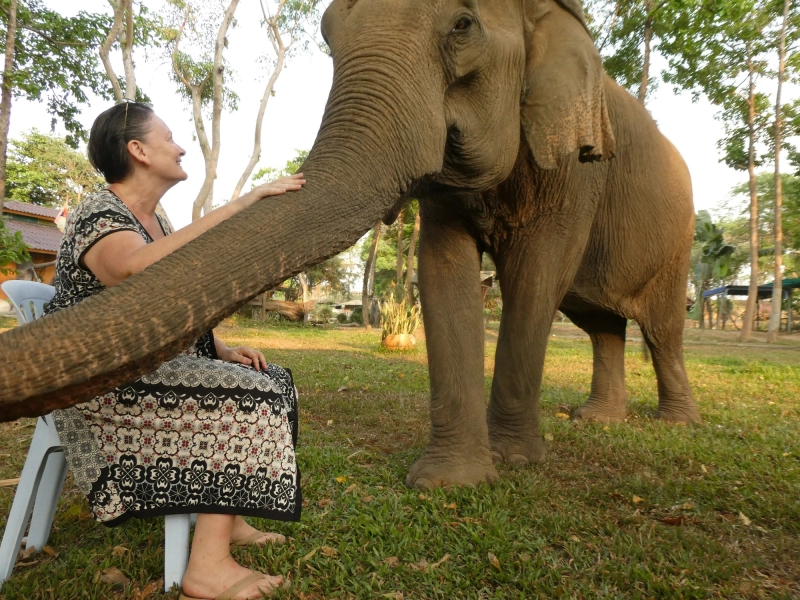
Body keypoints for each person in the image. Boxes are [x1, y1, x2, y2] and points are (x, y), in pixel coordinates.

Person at [44, 101, 305, 600]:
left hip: (144, 367)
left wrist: (221, 348)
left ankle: (227, 520)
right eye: (169, 137)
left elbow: (166, 308)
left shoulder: (155, 218)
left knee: (273, 381)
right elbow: (129, 269)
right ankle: (207, 570)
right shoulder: (100, 211)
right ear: (138, 150)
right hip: (102, 382)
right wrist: (241, 202)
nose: (181, 146)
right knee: (249, 400)